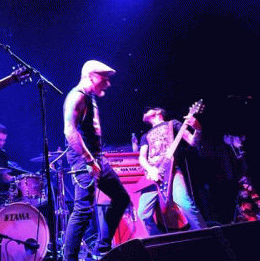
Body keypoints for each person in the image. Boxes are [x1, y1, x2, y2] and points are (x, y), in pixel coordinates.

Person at [63, 60, 130, 261]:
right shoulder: (77, 96)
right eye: (104, 78)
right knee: (83, 210)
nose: (108, 83)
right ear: (91, 76)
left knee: (121, 198)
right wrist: (89, 160)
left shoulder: (90, 97)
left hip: (96, 157)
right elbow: (70, 131)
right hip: (83, 159)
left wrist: (96, 158)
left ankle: (102, 248)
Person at [137, 107, 207, 236]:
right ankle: (157, 241)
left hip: (172, 171)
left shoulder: (172, 124)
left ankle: (206, 236)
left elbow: (192, 141)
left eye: (148, 110)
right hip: (153, 174)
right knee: (143, 214)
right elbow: (142, 158)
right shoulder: (145, 136)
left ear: (158, 111)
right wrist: (150, 169)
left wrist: (198, 129)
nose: (144, 112)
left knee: (185, 205)